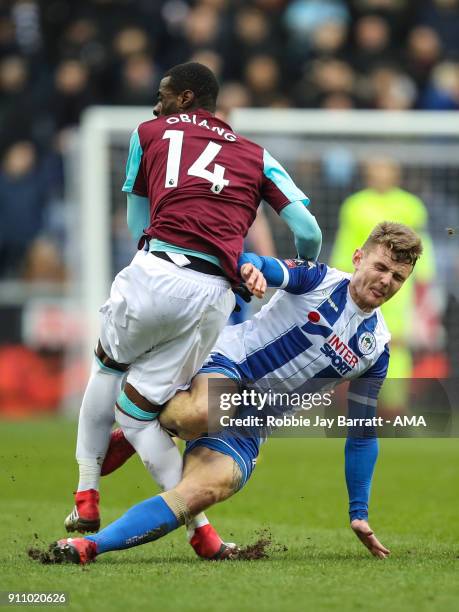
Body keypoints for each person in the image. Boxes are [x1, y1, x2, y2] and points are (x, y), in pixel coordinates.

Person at [51, 221, 422, 565]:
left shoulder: (376, 349)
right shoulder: (319, 280)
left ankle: (88, 547)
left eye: (397, 277)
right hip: (227, 366)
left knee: (199, 493)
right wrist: (251, 269)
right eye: (380, 267)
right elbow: (265, 264)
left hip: (253, 424)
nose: (386, 280)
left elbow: (361, 434)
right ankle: (142, 417)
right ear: (359, 257)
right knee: (207, 411)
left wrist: (359, 512)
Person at [66, 61, 322, 544]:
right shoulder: (256, 154)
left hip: (157, 270)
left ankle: (86, 495)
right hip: (213, 298)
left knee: (107, 369)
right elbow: (309, 231)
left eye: (163, 93)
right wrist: (299, 273)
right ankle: (201, 530)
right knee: (142, 414)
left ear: (185, 98)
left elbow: (137, 223)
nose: (155, 102)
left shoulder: (150, 132)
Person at [330, 156, 436, 410]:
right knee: (354, 344)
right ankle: (351, 412)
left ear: (396, 171)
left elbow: (424, 254)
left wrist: (424, 295)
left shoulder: (411, 206)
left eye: (386, 166)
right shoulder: (354, 206)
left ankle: (393, 409)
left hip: (399, 295)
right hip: (363, 289)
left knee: (394, 346)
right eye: (375, 166)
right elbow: (346, 251)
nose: (380, 172)